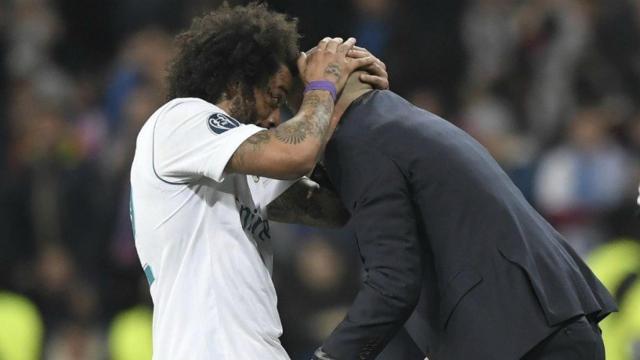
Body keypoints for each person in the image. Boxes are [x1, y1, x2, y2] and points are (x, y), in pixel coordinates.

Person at [129, 3, 389, 359]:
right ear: (237, 85)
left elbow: (335, 208)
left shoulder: (234, 169)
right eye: (274, 97)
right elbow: (296, 152)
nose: (275, 117)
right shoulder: (180, 120)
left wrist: (342, 107)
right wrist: (322, 85)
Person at [306, 73, 617, 360]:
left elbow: (394, 283)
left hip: (527, 338)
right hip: (539, 328)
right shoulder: (400, 124)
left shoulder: (363, 141)